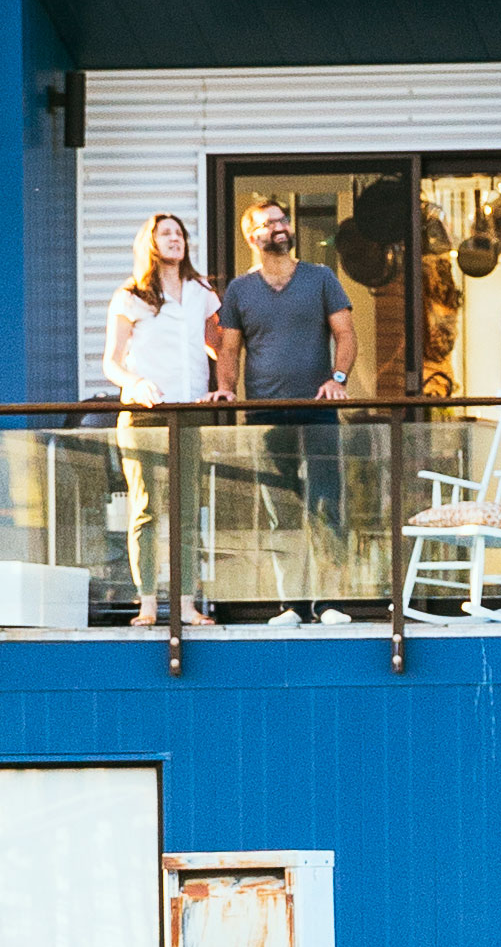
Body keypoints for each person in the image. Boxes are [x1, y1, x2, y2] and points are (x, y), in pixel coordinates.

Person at [215, 198, 357, 615]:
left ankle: (329, 602)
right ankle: (288, 606)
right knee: (282, 513)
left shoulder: (321, 277)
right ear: (251, 236)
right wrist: (226, 387)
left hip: (318, 410)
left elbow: (346, 335)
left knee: (326, 505)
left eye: (282, 219)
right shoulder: (240, 289)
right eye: (267, 222)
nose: (278, 226)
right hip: (265, 415)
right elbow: (229, 349)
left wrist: (338, 380)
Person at [104, 209, 222, 630]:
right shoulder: (130, 295)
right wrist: (135, 383)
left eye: (180, 233)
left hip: (188, 412)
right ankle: (149, 603)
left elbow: (219, 344)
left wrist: (221, 381)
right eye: (165, 233)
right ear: (150, 243)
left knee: (187, 511)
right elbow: (112, 363)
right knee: (147, 510)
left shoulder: (201, 291)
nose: (175, 239)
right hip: (142, 415)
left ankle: (186, 604)